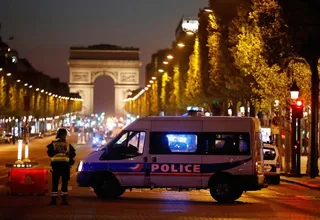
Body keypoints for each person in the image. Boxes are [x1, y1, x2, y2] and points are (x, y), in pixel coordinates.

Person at [47, 128, 76, 205]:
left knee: (59, 183)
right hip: (62, 166)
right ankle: (60, 200)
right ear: (61, 136)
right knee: (61, 183)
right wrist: (69, 155)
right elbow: (73, 154)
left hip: (59, 166)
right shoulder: (66, 144)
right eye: (64, 135)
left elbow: (49, 153)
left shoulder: (54, 144)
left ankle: (57, 200)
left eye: (65, 135)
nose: (65, 136)